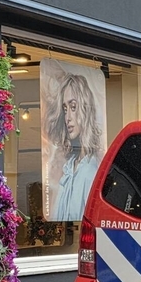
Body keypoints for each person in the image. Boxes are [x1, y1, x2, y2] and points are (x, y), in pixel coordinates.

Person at [47, 73, 104, 221]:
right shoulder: (69, 167)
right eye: (65, 109)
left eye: (73, 107)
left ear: (85, 109)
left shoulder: (90, 171)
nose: (68, 118)